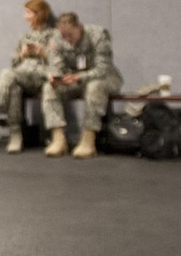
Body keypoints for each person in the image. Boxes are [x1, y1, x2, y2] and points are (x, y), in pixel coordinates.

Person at [0, 0, 60, 154]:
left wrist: (43, 53)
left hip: (42, 77)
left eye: (28, 13)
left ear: (39, 14)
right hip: (23, 75)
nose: (25, 17)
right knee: (13, 87)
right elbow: (14, 63)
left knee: (6, 74)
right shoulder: (25, 36)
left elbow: (60, 61)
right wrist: (22, 55)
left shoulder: (54, 35)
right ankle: (15, 135)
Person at [39, 12, 121, 158]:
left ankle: (88, 139)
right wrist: (55, 77)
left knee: (94, 87)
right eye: (63, 36)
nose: (67, 39)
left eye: (70, 35)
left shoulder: (98, 35)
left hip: (105, 78)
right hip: (74, 78)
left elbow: (103, 69)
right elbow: (55, 63)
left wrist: (79, 76)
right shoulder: (57, 37)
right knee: (49, 88)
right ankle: (58, 139)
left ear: (79, 27)